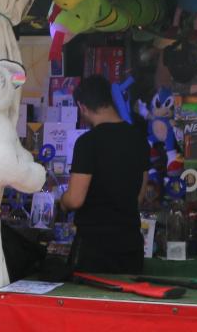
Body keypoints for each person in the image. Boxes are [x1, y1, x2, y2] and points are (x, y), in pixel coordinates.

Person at [56, 75, 152, 274]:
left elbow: (75, 200)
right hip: (130, 247)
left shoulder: (87, 143)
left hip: (94, 248)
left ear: (82, 107)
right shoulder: (139, 139)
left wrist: (62, 201)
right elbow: (139, 197)